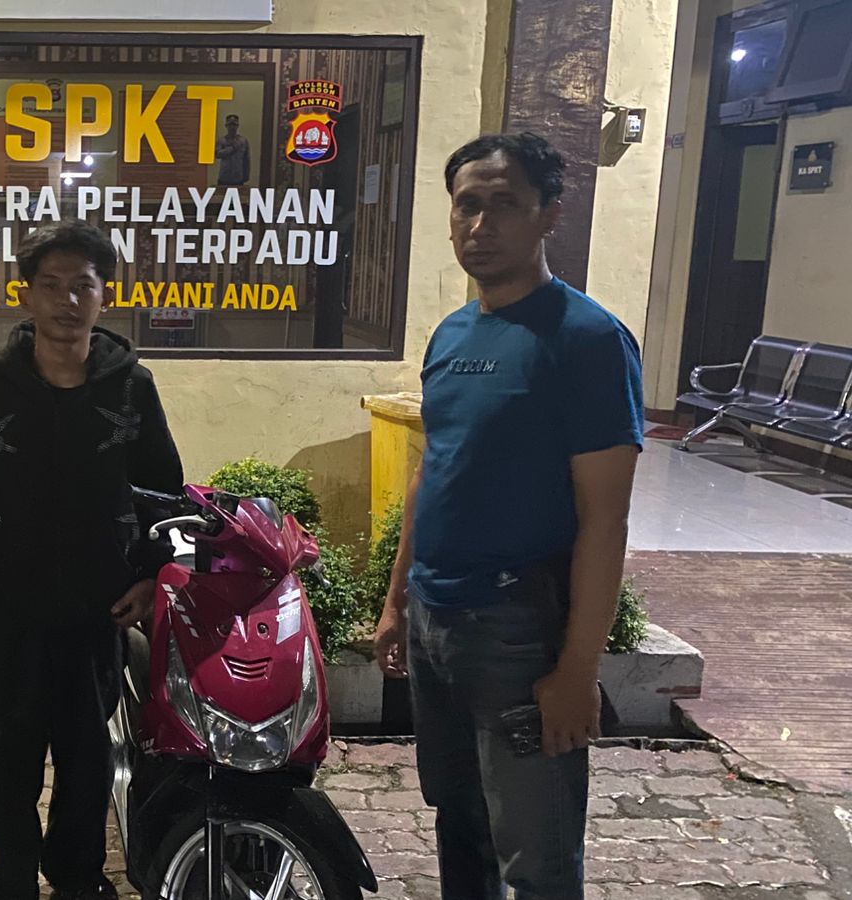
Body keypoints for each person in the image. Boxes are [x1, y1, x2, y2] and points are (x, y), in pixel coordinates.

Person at [371, 132, 643, 899]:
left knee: (537, 860)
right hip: (435, 622)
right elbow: (433, 471)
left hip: (517, 630)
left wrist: (577, 670)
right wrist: (396, 601)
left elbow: (606, 520)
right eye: (467, 205)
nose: (480, 225)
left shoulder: (587, 339)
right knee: (460, 827)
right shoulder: (454, 334)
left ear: (548, 214)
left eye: (504, 204)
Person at [0, 220, 184, 900]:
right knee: (8, 758)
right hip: (7, 606)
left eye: (83, 286)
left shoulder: (131, 387)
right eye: (51, 285)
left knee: (87, 757)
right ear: (26, 294)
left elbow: (163, 490)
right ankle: (10, 877)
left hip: (96, 607)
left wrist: (149, 574)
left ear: (105, 295)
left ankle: (77, 875)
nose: (67, 301)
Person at [215, 114, 250, 186]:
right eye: (230, 125)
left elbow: (246, 159)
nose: (232, 127)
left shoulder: (243, 141)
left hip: (238, 178)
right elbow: (217, 154)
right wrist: (232, 148)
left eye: (234, 125)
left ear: (237, 126)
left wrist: (246, 175)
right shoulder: (222, 140)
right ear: (226, 126)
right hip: (224, 178)